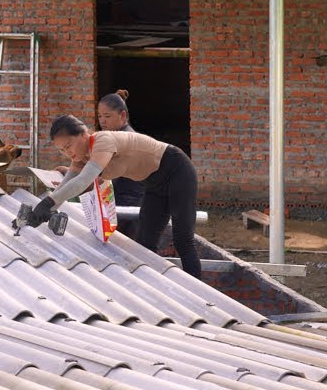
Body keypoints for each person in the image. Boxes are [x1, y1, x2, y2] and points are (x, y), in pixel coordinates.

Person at [24, 114, 202, 278]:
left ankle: (199, 297)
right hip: (155, 186)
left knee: (183, 240)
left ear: (83, 134)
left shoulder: (102, 141)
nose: (68, 152)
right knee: (145, 244)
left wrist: (47, 203)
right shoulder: (80, 157)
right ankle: (152, 289)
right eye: (62, 150)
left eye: (68, 146)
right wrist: (37, 215)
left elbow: (83, 181)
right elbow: (64, 188)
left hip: (177, 171)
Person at [95, 90, 147, 212]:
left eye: (107, 116)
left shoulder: (124, 139)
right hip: (125, 203)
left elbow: (103, 178)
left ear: (122, 116)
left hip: (130, 207)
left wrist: (75, 178)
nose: (102, 121)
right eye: (99, 116)